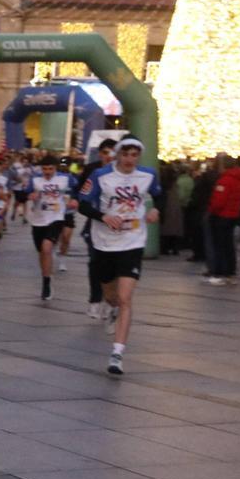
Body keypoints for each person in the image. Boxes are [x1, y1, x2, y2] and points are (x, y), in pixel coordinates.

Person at [77, 135, 160, 375]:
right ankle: (109, 306)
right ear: (118, 154)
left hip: (133, 241)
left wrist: (155, 208)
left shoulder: (148, 175)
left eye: (134, 155)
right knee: (111, 295)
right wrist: (103, 216)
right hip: (104, 243)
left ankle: (117, 353)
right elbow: (83, 203)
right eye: (125, 154)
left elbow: (158, 193)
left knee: (125, 298)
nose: (129, 160)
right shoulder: (101, 176)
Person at [27, 154, 77, 301]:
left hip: (56, 217)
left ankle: (47, 283)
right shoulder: (35, 179)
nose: (47, 172)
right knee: (42, 252)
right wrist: (31, 196)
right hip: (38, 220)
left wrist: (74, 200)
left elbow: (77, 189)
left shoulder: (65, 178)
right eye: (45, 169)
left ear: (56, 168)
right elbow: (26, 194)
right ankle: (45, 277)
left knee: (47, 247)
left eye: (50, 169)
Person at [77, 139, 116, 318]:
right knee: (95, 261)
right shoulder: (92, 170)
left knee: (114, 264)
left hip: (119, 226)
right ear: (100, 153)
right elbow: (80, 194)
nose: (109, 156)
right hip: (96, 221)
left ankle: (111, 300)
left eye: (113, 152)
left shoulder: (123, 172)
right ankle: (95, 299)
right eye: (106, 152)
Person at [206, 158, 240, 285]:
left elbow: (218, 202)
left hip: (221, 216)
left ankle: (219, 273)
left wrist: (211, 211)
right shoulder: (239, 179)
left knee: (219, 245)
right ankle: (230, 273)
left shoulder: (225, 180)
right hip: (233, 215)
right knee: (229, 246)